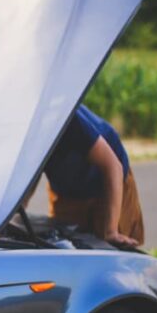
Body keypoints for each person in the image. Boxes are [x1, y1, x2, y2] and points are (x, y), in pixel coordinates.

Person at [42, 104, 144, 247]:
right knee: (63, 246)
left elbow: (113, 167)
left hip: (109, 181)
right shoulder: (20, 130)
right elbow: (28, 175)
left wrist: (111, 231)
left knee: (113, 248)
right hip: (67, 190)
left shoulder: (67, 119)